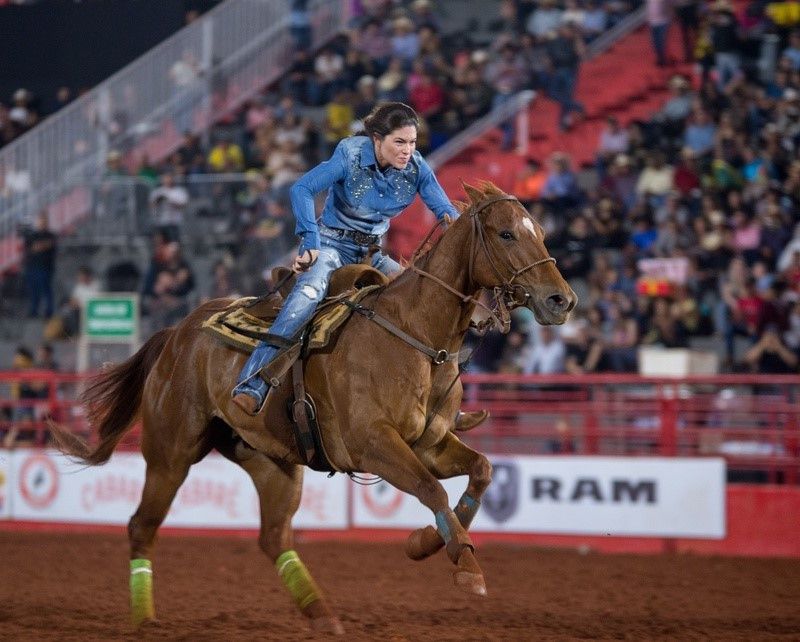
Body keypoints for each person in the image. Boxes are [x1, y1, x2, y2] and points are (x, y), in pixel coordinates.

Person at [232, 103, 474, 421]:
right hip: (331, 246)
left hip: (373, 254)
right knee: (307, 296)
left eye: (412, 142)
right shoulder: (350, 154)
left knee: (423, 302)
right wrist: (309, 240)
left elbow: (446, 212)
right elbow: (302, 188)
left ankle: (441, 404)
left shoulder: (416, 167)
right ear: (377, 139)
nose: (408, 150)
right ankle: (251, 385)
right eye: (399, 142)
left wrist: (464, 236)